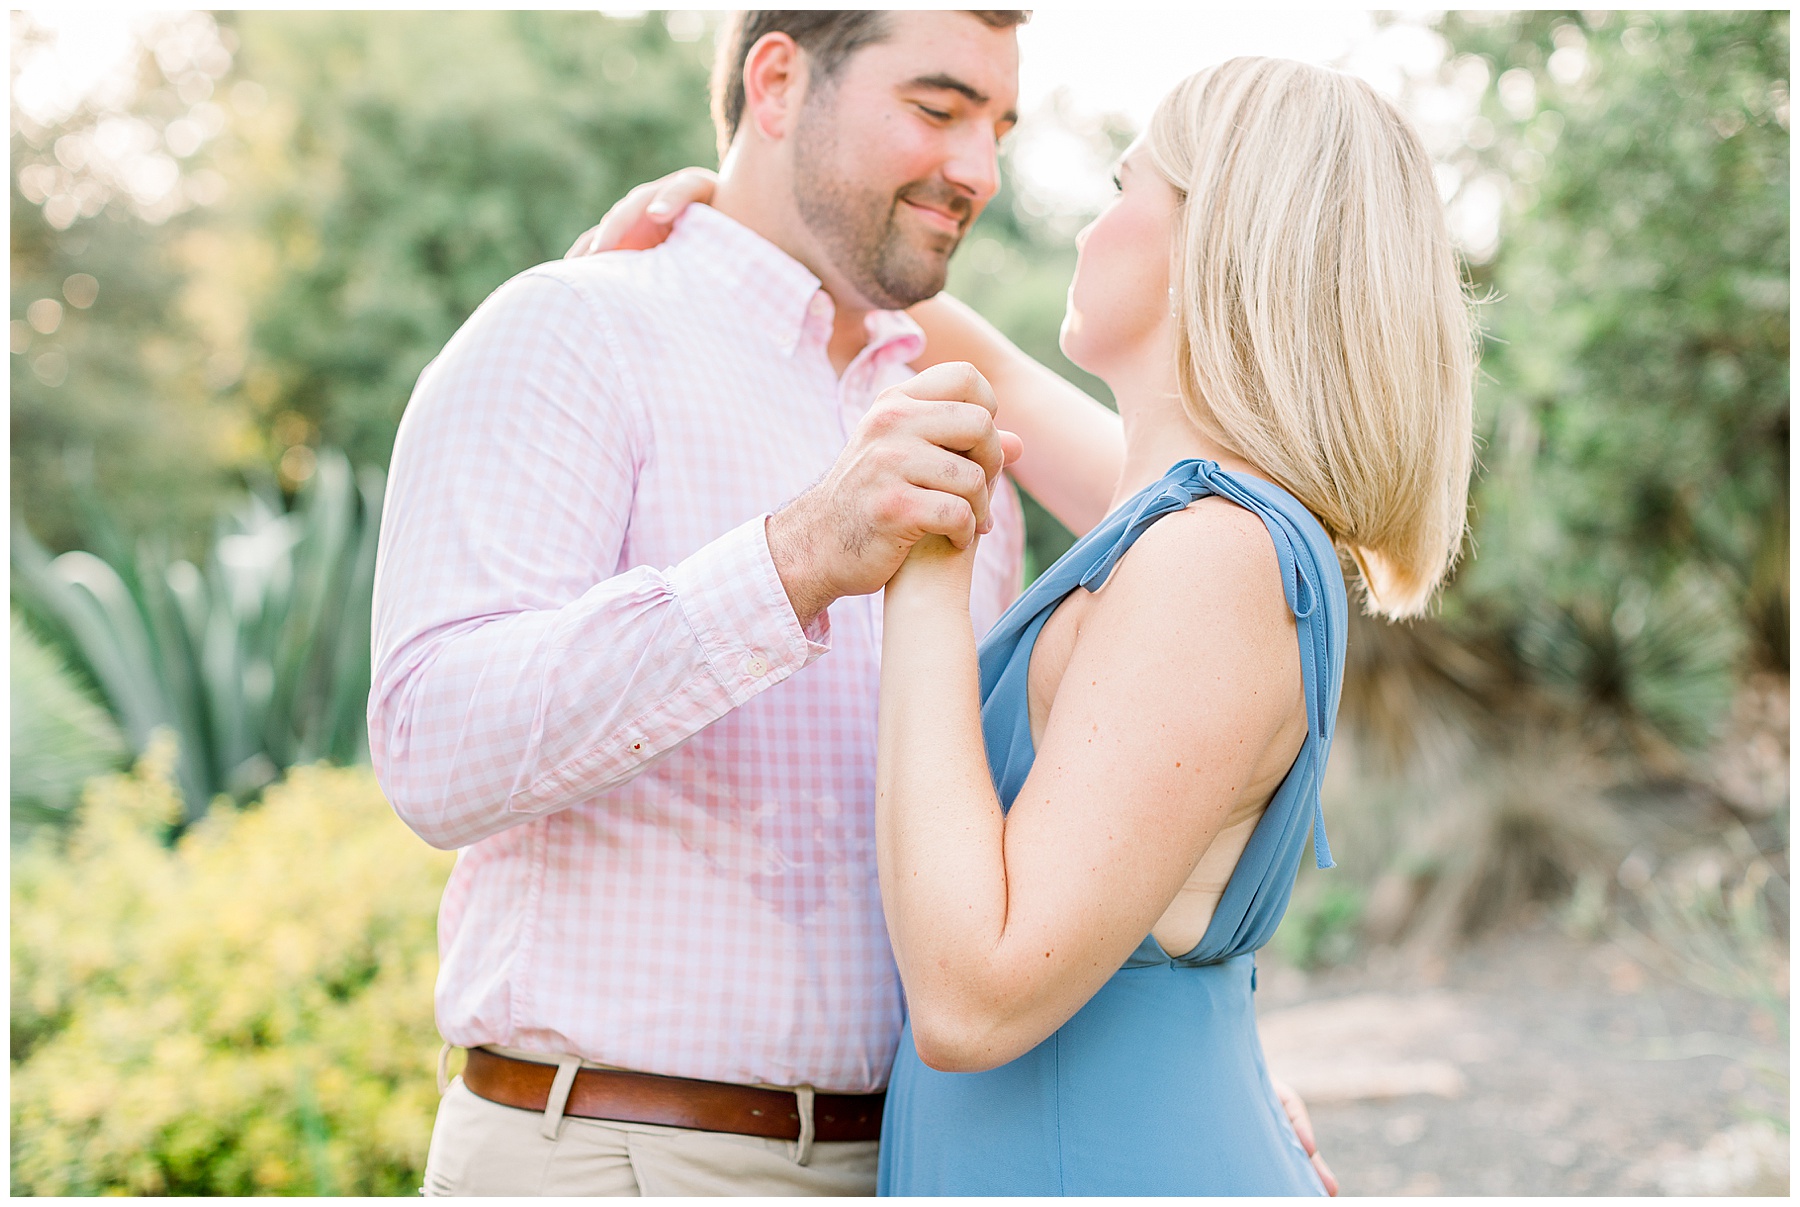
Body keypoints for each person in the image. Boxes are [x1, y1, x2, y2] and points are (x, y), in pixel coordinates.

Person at [376, 9, 1332, 1195]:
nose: (979, 171)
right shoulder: (577, 332)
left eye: (998, 128)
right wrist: (796, 559)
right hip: (624, 1156)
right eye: (937, 109)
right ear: (777, 82)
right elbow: (431, 749)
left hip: (915, 1158)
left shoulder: (960, 427)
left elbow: (1038, 844)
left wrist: (1180, 1062)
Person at [582, 55, 1474, 1195]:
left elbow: (975, 998)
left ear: (1212, 240)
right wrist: (753, 211)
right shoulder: (1188, 527)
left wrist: (921, 567)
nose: (1090, 227)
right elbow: (983, 358)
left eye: (1121, 187)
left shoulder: (1212, 558)